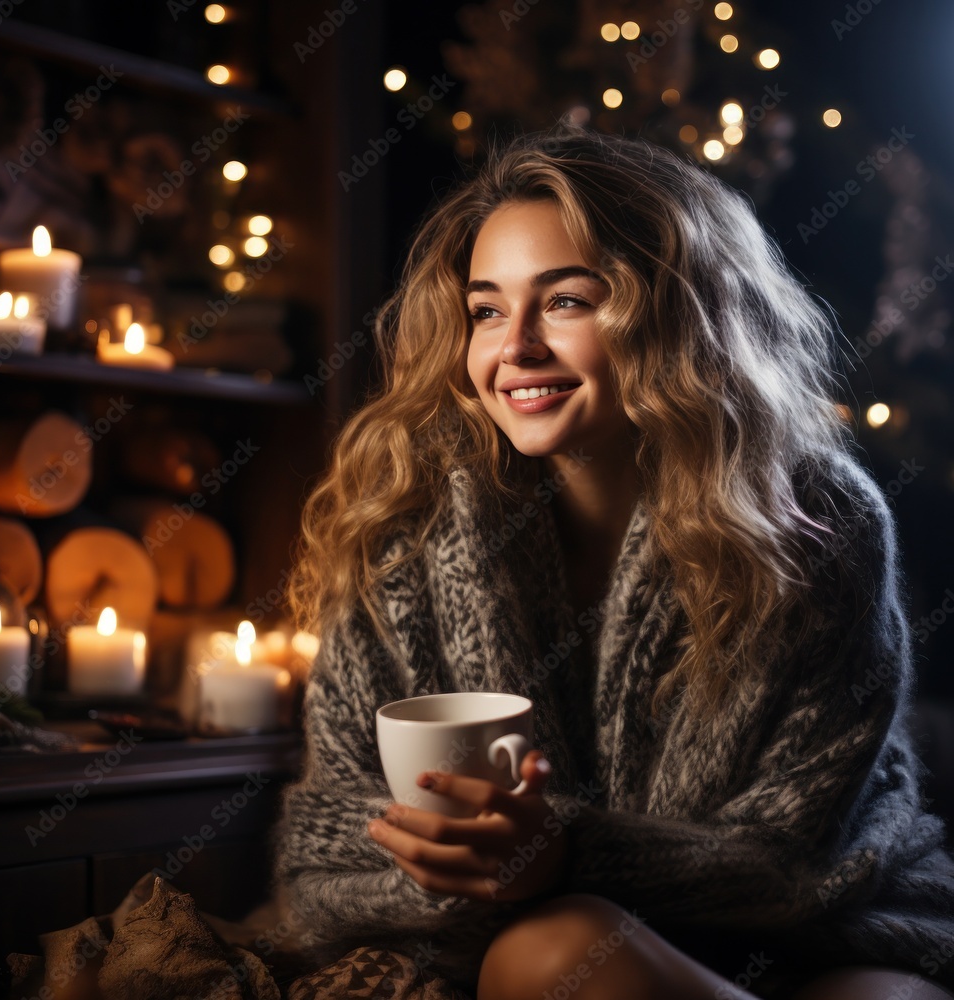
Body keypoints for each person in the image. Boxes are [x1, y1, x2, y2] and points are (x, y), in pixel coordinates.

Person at [273, 126, 954, 1000]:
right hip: (557, 953)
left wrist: (565, 853)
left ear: (676, 314)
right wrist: (474, 866)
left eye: (564, 302)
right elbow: (325, 850)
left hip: (828, 930)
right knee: (558, 949)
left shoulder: (815, 519)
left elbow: (798, 850)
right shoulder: (399, 528)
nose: (513, 347)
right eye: (486, 309)